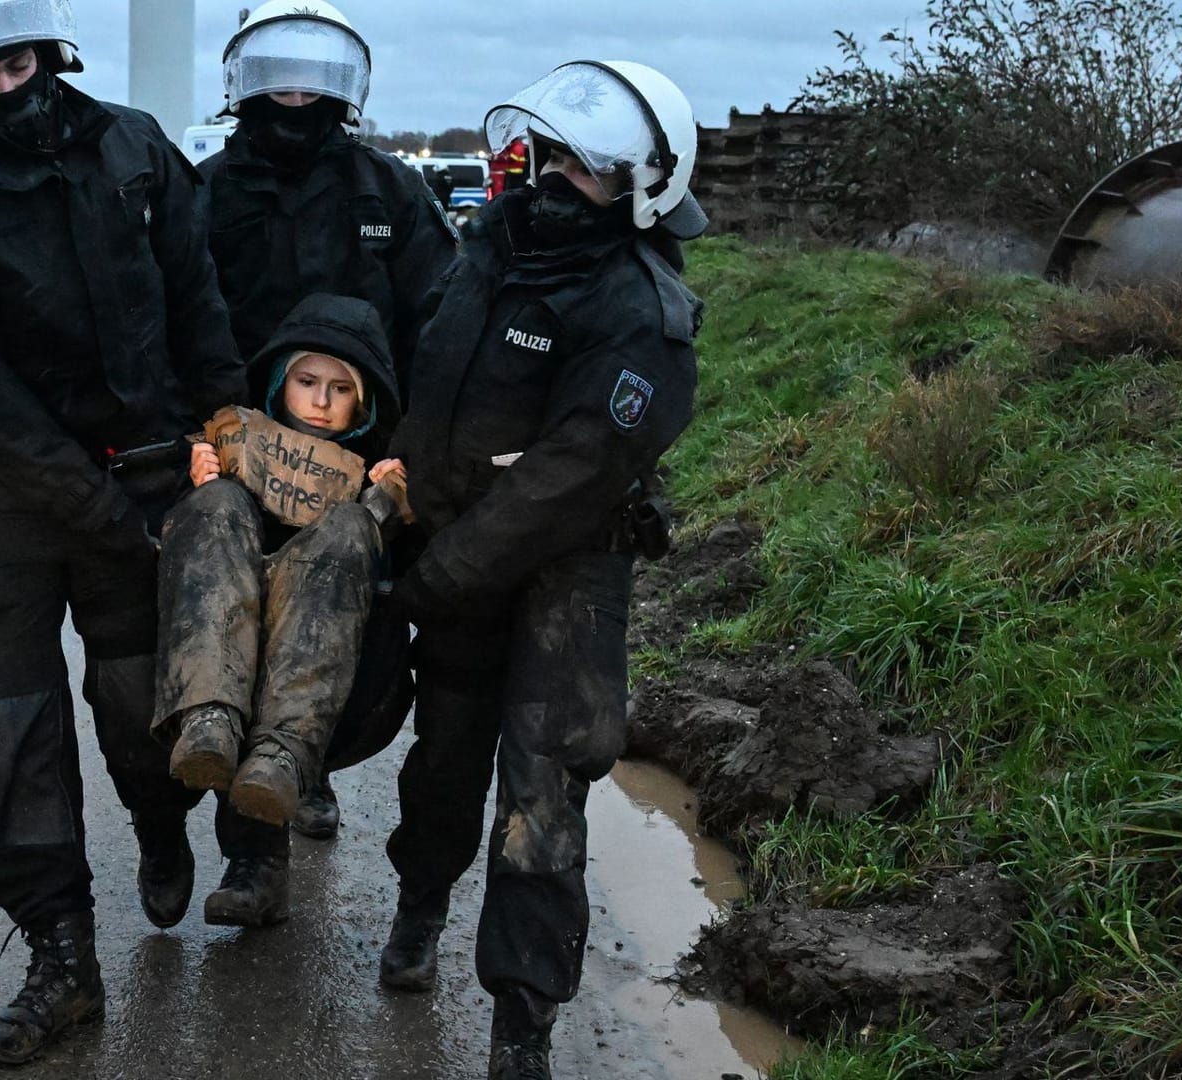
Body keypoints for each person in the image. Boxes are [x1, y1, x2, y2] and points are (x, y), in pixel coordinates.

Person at [0, 0, 244, 1066]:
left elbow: (195, 297)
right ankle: (62, 957)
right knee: (9, 717)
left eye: (15, 64)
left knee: (136, 694)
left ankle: (163, 826)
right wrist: (93, 505)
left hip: (154, 462)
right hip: (8, 489)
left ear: (48, 50)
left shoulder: (135, 146)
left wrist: (226, 436)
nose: (3, 87)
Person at [372, 61, 709, 1080]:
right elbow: (428, 389)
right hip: (455, 552)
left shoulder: (643, 310)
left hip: (569, 572)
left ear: (645, 186)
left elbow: (570, 476)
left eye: (591, 168)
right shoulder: (488, 250)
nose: (561, 178)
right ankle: (419, 908)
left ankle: (522, 1023)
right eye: (553, 154)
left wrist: (437, 577)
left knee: (543, 790)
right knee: (444, 758)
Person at [195, 0, 458, 858]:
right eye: (279, 73)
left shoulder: (390, 189)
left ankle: (311, 770)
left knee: (342, 624)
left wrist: (413, 451)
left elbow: (439, 322)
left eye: (315, 76)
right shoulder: (211, 192)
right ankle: (250, 858)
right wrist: (205, 429)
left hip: (358, 458)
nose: (295, 92)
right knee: (238, 620)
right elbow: (179, 312)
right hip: (244, 449)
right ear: (244, 81)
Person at [153, 294, 407, 926]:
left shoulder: (377, 469)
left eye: (340, 388)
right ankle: (210, 722)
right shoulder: (234, 441)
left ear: (364, 401)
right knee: (215, 509)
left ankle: (284, 757)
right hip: (217, 661)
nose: (320, 401)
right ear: (279, 383)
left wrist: (391, 509)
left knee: (348, 526)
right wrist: (196, 478)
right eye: (306, 380)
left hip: (329, 684)